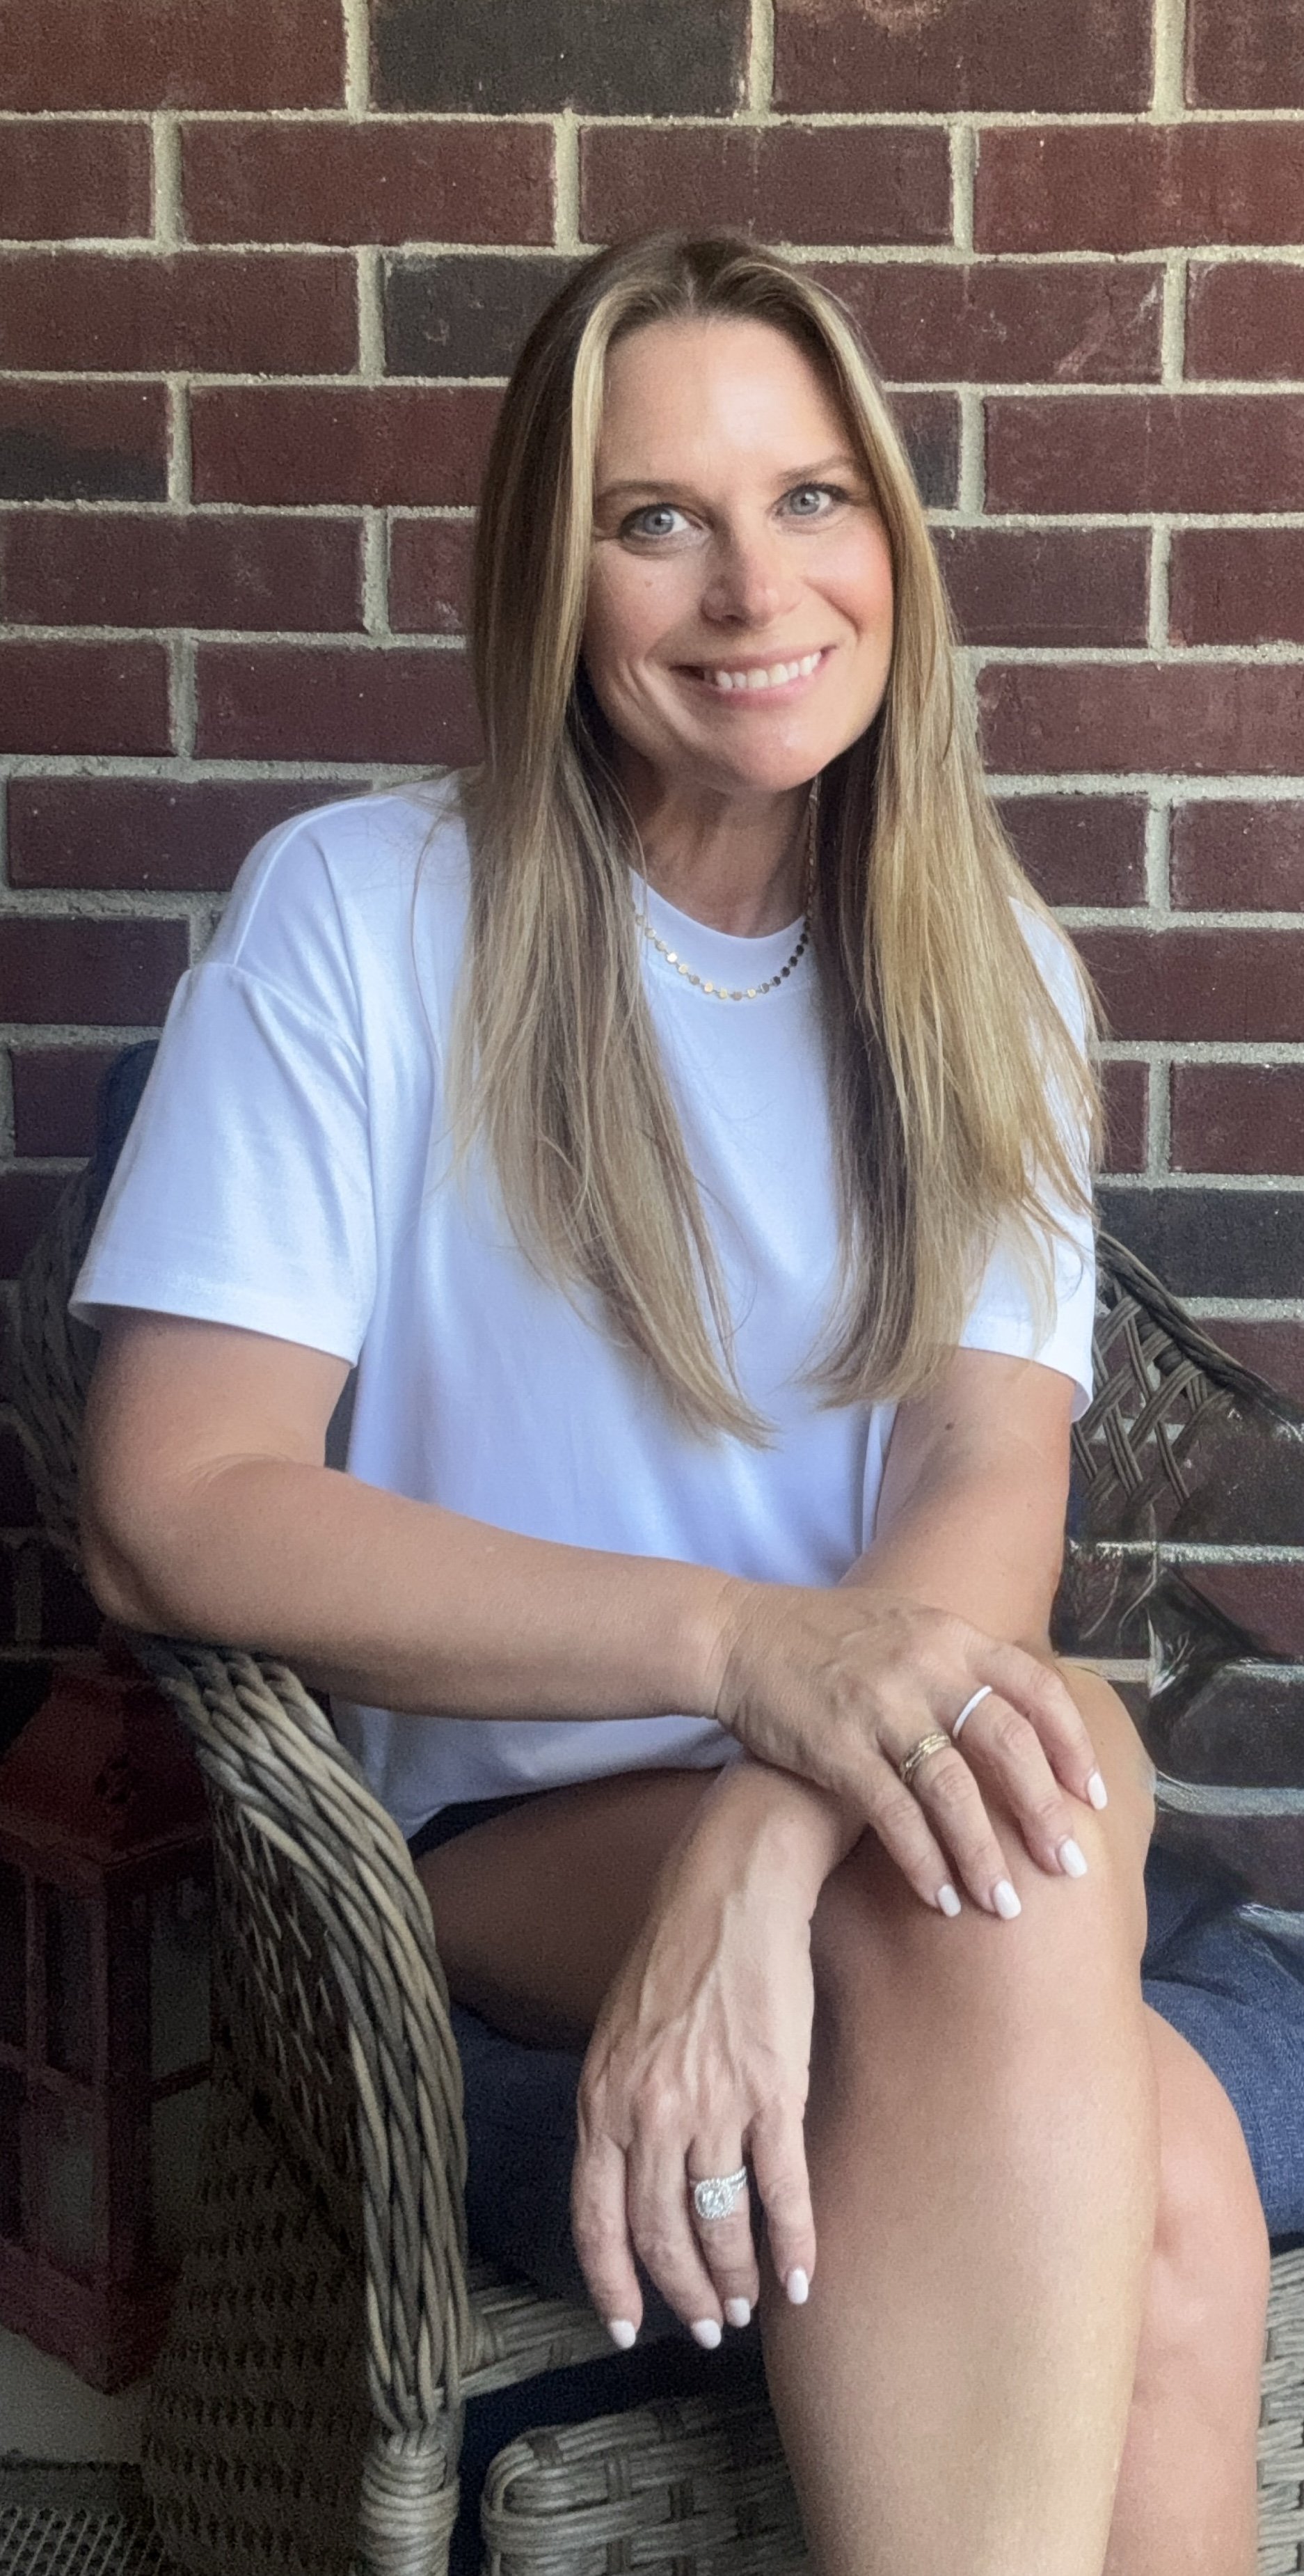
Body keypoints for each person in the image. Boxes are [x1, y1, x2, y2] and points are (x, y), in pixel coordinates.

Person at [71, 234, 1273, 2576]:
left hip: (846, 1804)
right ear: (551, 562)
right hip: (508, 1844)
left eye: (812, 500)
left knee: (1175, 2184)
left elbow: (978, 1470)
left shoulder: (988, 971)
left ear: (892, 545)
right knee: (1030, 1862)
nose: (755, 588)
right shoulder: (361, 914)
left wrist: (767, 1820)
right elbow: (175, 1505)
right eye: (658, 518)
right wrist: (748, 1663)